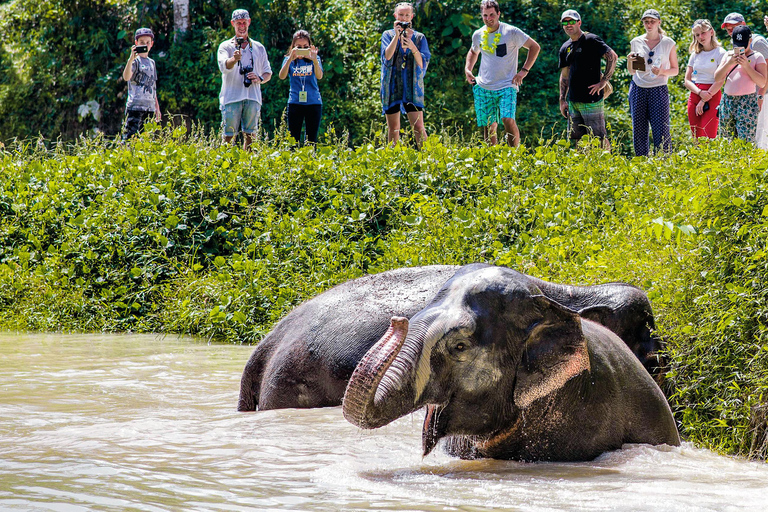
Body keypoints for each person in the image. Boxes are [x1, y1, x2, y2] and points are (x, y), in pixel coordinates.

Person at [464, 0, 540, 146]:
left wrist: (523, 71)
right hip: (484, 85)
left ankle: (513, 157)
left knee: (508, 119)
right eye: (485, 15)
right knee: (489, 125)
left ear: (498, 14)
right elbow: (473, 51)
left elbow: (534, 47)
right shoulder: (478, 34)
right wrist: (468, 69)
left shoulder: (511, 32)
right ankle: (494, 158)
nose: (488, 18)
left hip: (507, 84)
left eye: (492, 14)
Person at [557, 9, 617, 149]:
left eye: (571, 21)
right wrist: (562, 100)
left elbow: (612, 56)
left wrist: (603, 82)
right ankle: (583, 167)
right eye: (565, 22)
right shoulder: (565, 47)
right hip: (573, 101)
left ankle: (608, 165)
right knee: (578, 140)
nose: (568, 25)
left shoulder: (591, 39)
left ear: (579, 23)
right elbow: (564, 75)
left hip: (591, 99)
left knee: (599, 138)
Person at [217, 9, 273, 150]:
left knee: (251, 136)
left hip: (252, 96)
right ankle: (226, 166)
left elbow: (268, 73)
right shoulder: (225, 46)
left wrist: (259, 78)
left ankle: (247, 166)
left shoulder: (259, 47)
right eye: (238, 23)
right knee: (228, 136)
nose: (242, 26)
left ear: (249, 22)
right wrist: (234, 59)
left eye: (244, 22)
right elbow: (224, 66)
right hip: (231, 97)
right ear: (233, 24)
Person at [626, 9, 679, 156]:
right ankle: (642, 164)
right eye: (646, 22)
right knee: (639, 129)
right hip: (638, 87)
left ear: (659, 23)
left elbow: (675, 70)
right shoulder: (636, 42)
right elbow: (631, 71)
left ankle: (663, 164)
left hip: (658, 89)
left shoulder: (668, 43)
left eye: (652, 22)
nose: (649, 25)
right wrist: (629, 61)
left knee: (661, 130)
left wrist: (662, 72)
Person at [381, 2, 430, 147]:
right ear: (395, 16)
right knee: (393, 129)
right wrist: (397, 36)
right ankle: (393, 163)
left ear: (412, 17)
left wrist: (412, 46)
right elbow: (387, 57)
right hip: (392, 85)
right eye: (401, 15)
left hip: (413, 87)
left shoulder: (419, 37)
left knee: (419, 127)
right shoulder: (387, 35)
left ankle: (427, 159)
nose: (404, 18)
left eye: (407, 15)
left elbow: (422, 63)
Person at [714, 25, 767, 142]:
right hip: (728, 101)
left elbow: (762, 82)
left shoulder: (757, 57)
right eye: (737, 45)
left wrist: (746, 66)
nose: (741, 48)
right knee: (726, 139)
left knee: (746, 140)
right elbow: (717, 78)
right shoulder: (728, 55)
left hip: (747, 101)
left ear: (750, 41)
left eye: (744, 44)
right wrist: (728, 63)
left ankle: (746, 160)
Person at [278, 30, 323, 145]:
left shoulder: (315, 59)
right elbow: (281, 76)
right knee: (293, 139)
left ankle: (310, 162)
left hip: (313, 102)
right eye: (299, 47)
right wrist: (290, 59)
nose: (302, 49)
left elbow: (319, 76)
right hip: (295, 102)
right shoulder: (289, 60)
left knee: (311, 140)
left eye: (305, 47)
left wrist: (314, 60)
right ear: (293, 47)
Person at [683, 19, 726, 139]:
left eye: (703, 32)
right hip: (695, 95)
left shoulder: (721, 53)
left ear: (711, 32)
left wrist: (704, 98)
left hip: (712, 95)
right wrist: (699, 93)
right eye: (697, 35)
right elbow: (687, 80)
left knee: (708, 136)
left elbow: (720, 80)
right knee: (696, 136)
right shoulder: (694, 54)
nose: (701, 37)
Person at [121, 28, 161, 140]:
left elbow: (153, 87)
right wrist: (130, 59)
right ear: (136, 43)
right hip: (135, 106)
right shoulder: (135, 61)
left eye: (147, 42)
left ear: (151, 44)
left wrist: (157, 107)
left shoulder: (152, 63)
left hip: (149, 107)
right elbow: (126, 77)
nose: (145, 45)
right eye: (142, 43)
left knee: (147, 139)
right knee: (130, 138)